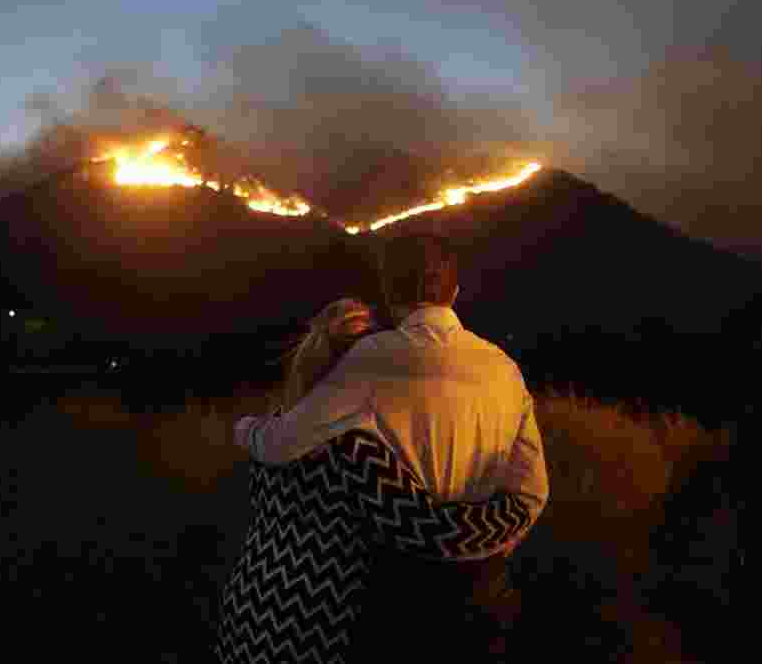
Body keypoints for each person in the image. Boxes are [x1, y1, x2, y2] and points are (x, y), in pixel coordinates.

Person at [226, 232, 549, 659]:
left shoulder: (372, 358)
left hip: (395, 593)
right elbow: (532, 492)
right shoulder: (506, 371)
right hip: (486, 592)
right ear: (455, 290)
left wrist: (246, 429)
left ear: (389, 290)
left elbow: (281, 444)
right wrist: (482, 546)